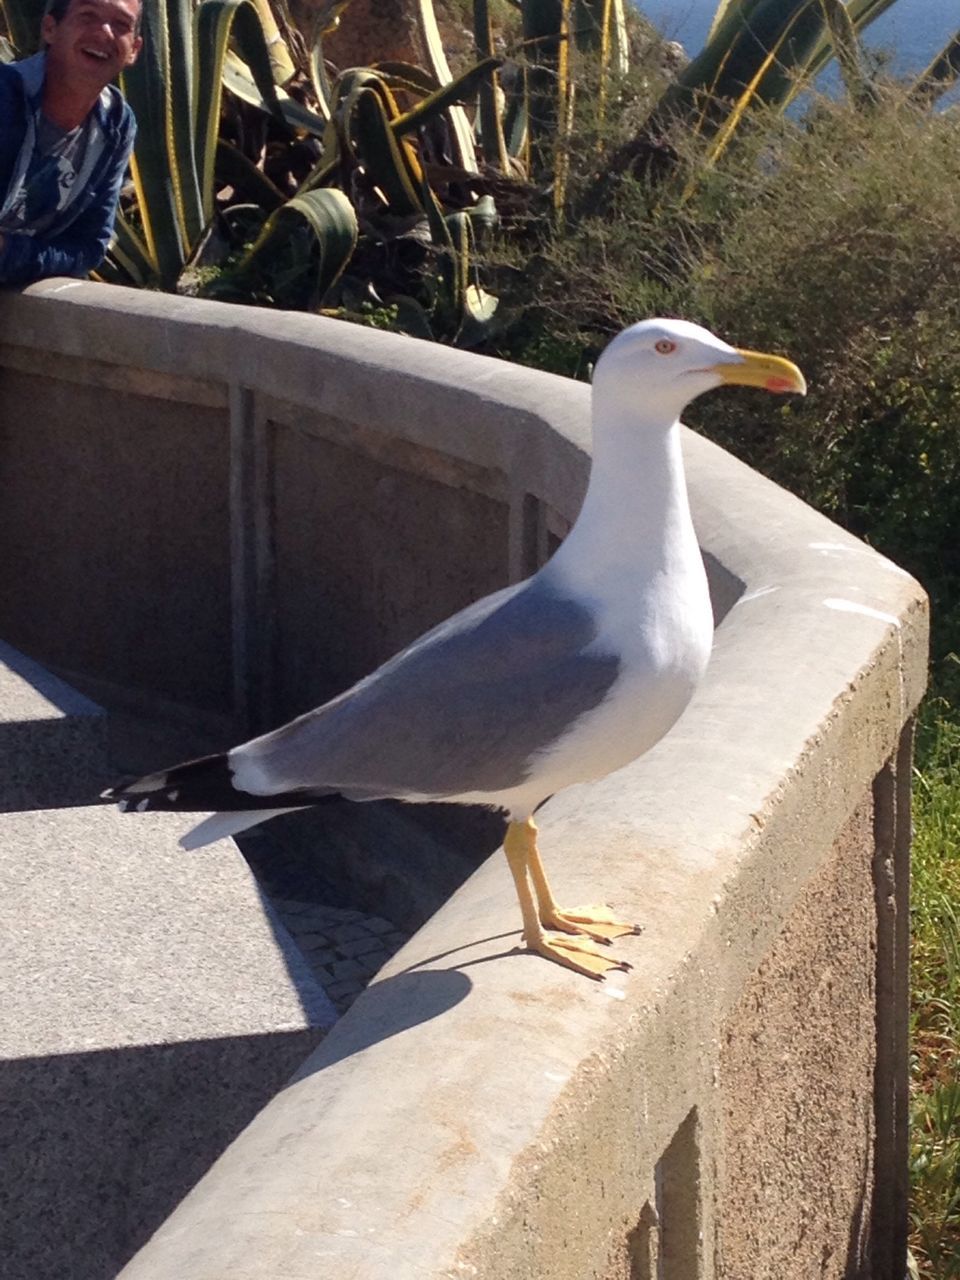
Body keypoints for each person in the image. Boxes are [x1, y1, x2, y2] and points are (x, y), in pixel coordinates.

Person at [0, 0, 142, 285]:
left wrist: (8, 253)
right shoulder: (5, 97)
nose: (104, 32)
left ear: (134, 51)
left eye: (121, 25)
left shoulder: (115, 124)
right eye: (88, 16)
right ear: (50, 29)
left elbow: (88, 247)